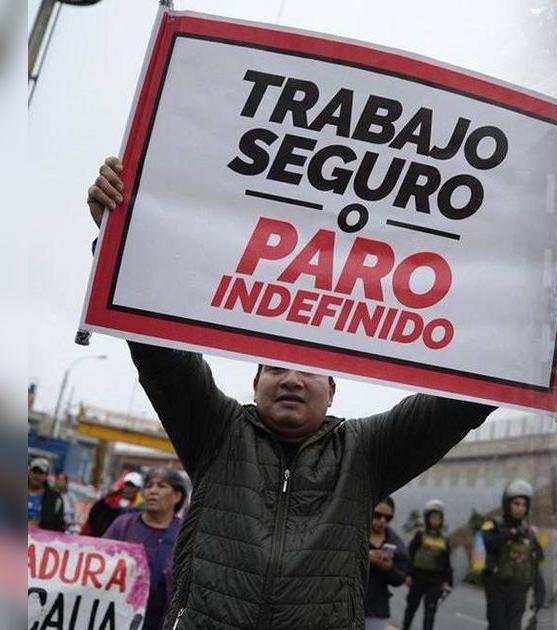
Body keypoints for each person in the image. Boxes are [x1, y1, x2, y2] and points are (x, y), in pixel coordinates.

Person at [83, 156, 498, 629]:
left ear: (333, 390)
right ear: (254, 383)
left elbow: (458, 402)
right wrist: (119, 239)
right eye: (276, 366)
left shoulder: (365, 452)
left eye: (311, 371)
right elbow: (160, 352)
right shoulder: (216, 430)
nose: (293, 379)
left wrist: (550, 325)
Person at [103, 468, 188, 630]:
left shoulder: (184, 534)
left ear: (177, 496)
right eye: (149, 486)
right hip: (116, 617)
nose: (152, 491)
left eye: (161, 486)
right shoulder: (123, 525)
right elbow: (98, 562)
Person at [479, 480, 545, 630]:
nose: (520, 508)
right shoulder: (493, 524)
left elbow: (534, 564)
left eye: (524, 504)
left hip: (519, 591)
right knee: (498, 626)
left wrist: (540, 594)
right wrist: (511, 533)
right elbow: (490, 545)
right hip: (497, 588)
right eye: (516, 503)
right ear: (507, 504)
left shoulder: (529, 532)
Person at [404, 500, 453, 630]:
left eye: (438, 518)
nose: (435, 521)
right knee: (411, 608)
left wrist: (448, 582)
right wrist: (408, 574)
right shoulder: (419, 536)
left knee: (430, 612)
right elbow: (410, 555)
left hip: (435, 581)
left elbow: (447, 563)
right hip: (418, 577)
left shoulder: (444, 540)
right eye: (433, 517)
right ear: (427, 518)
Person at [364, 497, 410, 630]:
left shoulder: (396, 544)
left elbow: (400, 578)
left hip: (377, 609)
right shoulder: (354, 534)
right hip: (348, 604)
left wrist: (389, 568)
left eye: (387, 517)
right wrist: (365, 557)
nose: (382, 520)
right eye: (377, 515)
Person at [81, 471, 143, 537]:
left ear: (138, 489)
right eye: (127, 485)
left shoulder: (138, 510)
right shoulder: (105, 503)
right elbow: (90, 524)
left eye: (132, 486)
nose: (128, 489)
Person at [27, 458, 67, 532]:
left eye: (41, 472)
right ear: (29, 472)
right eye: (35, 471)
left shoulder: (55, 499)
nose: (37, 476)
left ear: (46, 476)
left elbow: (59, 528)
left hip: (39, 541)